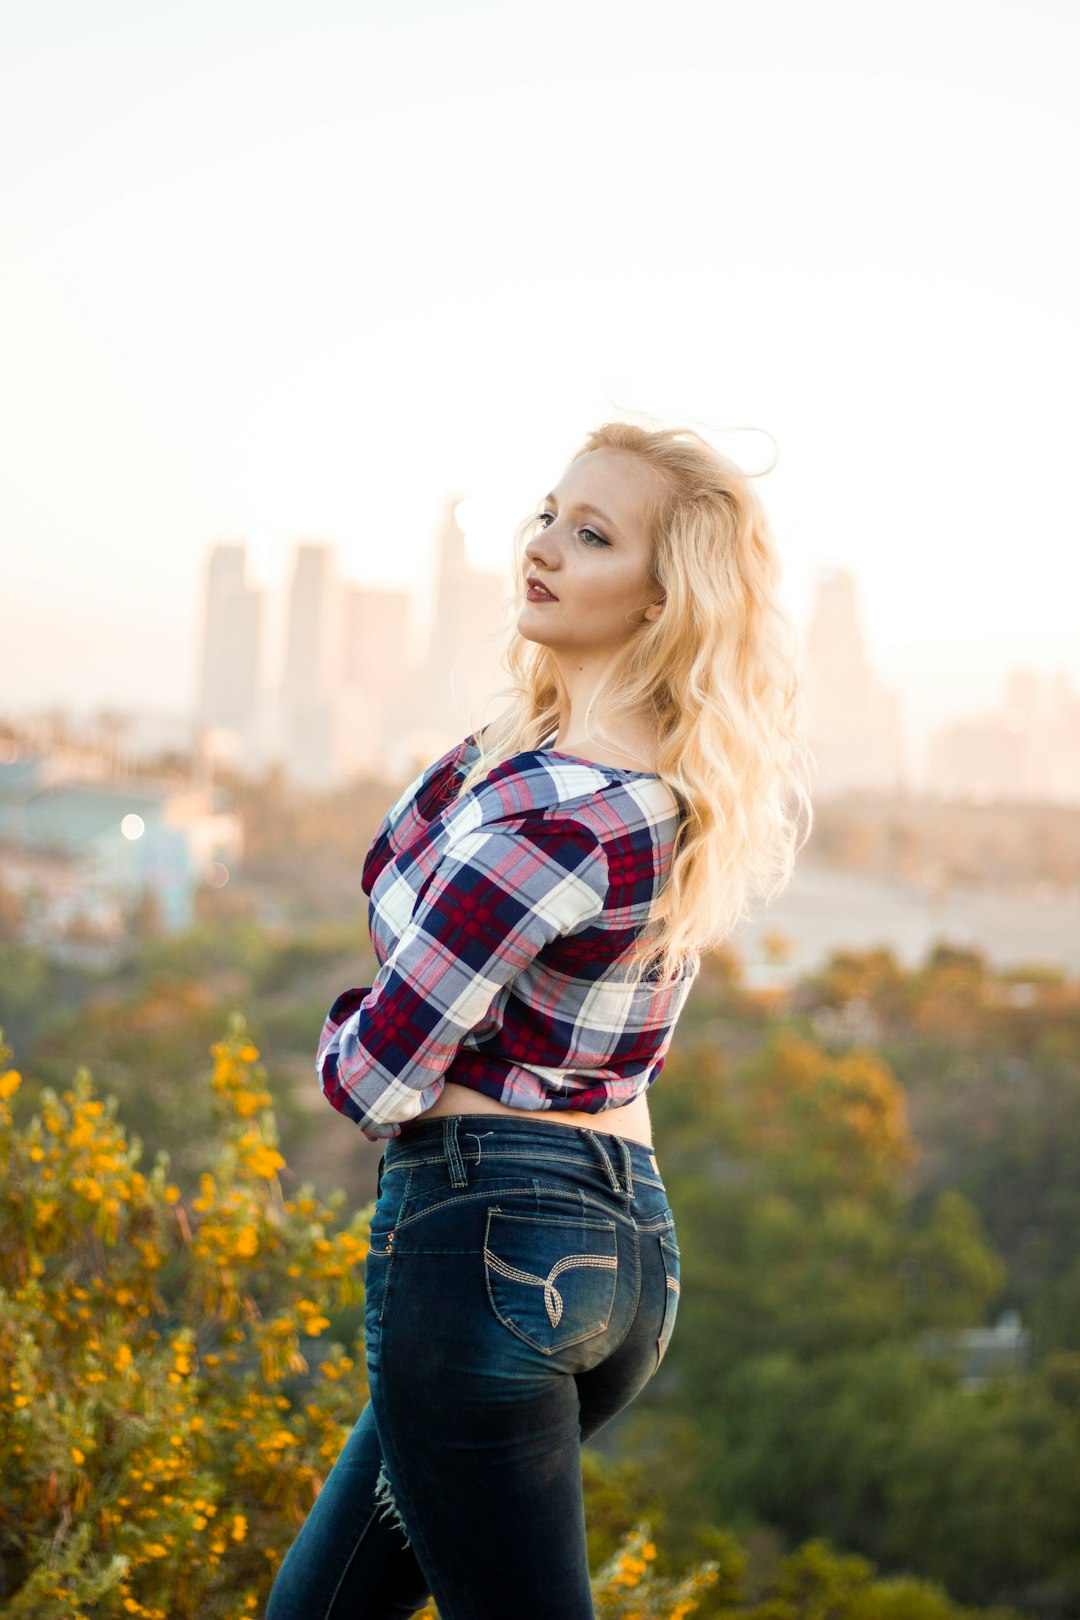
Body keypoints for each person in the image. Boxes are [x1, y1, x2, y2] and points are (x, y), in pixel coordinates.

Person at [265, 419, 813, 1620]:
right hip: (626, 1255)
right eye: (552, 516)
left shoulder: (554, 822)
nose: (547, 547)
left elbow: (377, 1081)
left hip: (488, 1246)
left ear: (664, 600)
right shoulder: (648, 788)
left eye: (595, 535)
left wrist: (343, 1030)